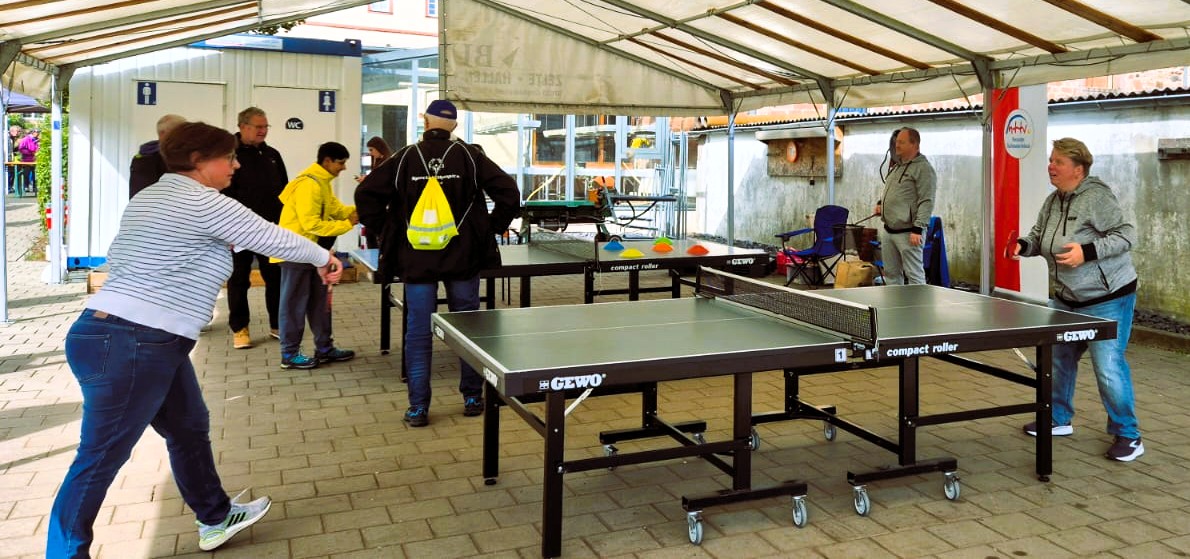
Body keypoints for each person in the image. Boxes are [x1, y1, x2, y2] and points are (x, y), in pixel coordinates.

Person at [46, 122, 343, 558]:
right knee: (100, 458)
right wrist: (324, 257)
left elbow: (176, 249)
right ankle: (65, 553)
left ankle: (215, 516)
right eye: (229, 157)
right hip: (136, 341)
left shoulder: (151, 196)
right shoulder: (203, 202)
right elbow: (269, 235)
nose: (236, 165)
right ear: (199, 161)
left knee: (188, 426)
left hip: (125, 335)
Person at [355, 99, 520, 427]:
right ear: (454, 126)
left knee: (418, 331)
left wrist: (389, 230)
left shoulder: (404, 158)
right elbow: (508, 193)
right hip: (463, 257)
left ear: (425, 122)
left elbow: (366, 195)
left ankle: (418, 407)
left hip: (416, 260)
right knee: (468, 328)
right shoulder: (470, 157)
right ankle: (472, 397)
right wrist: (487, 228)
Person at [1013, 137, 1143, 462]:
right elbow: (1039, 234)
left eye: (1058, 161)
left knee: (1108, 367)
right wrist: (1024, 245)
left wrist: (1087, 251)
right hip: (1066, 298)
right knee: (1058, 359)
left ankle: (1129, 435)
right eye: (1051, 160)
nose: (1050, 166)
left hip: (1108, 298)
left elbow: (1127, 234)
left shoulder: (1097, 196)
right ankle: (1058, 418)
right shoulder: (1053, 200)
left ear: (1078, 169)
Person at [273, 141, 358, 369]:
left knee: (320, 304)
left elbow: (336, 210)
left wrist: (360, 209)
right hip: (295, 253)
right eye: (341, 163)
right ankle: (289, 354)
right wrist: (347, 224)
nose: (344, 167)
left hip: (314, 253)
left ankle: (325, 349)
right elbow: (311, 224)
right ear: (327, 161)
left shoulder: (322, 183)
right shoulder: (308, 185)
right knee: (294, 305)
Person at [222, 107, 288, 349]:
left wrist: (284, 225)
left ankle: (277, 325)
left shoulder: (272, 155)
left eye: (265, 126)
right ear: (243, 127)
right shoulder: (229, 154)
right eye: (258, 127)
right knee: (239, 280)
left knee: (276, 278)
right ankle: (240, 329)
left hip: (270, 229)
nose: (263, 131)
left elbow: (284, 191)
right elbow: (222, 192)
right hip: (238, 230)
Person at [874, 127, 935, 285]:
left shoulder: (923, 168)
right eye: (897, 142)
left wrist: (918, 228)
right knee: (891, 275)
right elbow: (894, 191)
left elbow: (926, 200)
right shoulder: (897, 166)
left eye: (901, 142)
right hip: (889, 230)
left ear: (914, 144)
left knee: (914, 275)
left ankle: (919, 302)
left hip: (909, 233)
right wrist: (881, 204)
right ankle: (895, 302)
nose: (896, 145)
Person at [129, 114, 186, 198]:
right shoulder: (164, 158)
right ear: (163, 133)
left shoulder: (144, 155)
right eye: (182, 132)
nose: (185, 136)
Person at [17, 127, 39, 194]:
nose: (38, 134)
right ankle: (26, 186)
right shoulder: (26, 139)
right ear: (33, 132)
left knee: (35, 174)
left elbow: (37, 148)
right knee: (26, 173)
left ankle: (35, 187)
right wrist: (30, 153)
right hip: (26, 160)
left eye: (38, 133)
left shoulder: (36, 139)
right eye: (37, 132)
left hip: (34, 160)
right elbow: (21, 149)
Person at [6, 125, 21, 194]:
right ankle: (8, 187)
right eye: (17, 131)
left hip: (11, 159)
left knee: (12, 173)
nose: (18, 133)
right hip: (7, 159)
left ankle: (10, 187)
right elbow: (8, 150)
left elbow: (12, 149)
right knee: (9, 173)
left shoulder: (12, 138)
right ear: (12, 131)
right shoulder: (7, 138)